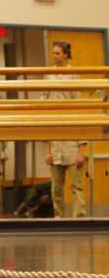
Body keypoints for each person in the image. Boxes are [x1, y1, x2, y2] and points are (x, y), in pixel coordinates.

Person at [43, 41, 87, 218]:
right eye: (53, 53)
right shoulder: (47, 75)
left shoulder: (74, 75)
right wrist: (48, 150)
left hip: (72, 139)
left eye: (58, 53)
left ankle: (80, 218)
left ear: (66, 55)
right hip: (55, 137)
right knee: (56, 187)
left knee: (77, 185)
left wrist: (81, 150)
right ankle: (58, 217)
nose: (54, 56)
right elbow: (45, 110)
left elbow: (81, 113)